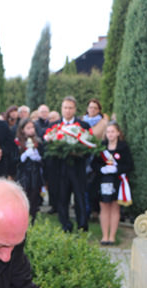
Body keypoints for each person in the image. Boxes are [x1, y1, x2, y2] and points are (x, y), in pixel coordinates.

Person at [50, 96, 91, 233]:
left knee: (79, 198)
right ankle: (65, 226)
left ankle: (82, 226)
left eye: (70, 108)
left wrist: (79, 153)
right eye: (65, 108)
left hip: (77, 168)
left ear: (75, 109)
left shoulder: (83, 126)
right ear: (61, 109)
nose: (67, 111)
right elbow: (48, 149)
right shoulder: (54, 127)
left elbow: (89, 148)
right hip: (60, 170)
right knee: (62, 199)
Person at [92, 121, 133, 245]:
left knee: (115, 208)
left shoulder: (123, 147)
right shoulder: (101, 147)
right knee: (104, 208)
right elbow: (94, 164)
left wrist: (117, 169)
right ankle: (104, 236)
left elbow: (129, 165)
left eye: (113, 131)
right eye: (108, 132)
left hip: (117, 181)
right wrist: (101, 169)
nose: (110, 134)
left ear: (118, 133)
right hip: (103, 181)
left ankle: (112, 236)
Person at [15, 118, 44, 224]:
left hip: (35, 174)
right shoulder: (18, 142)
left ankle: (32, 219)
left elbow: (43, 157)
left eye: (32, 127)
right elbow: (15, 160)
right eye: (28, 128)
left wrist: (38, 157)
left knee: (34, 197)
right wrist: (24, 155)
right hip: (24, 175)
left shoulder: (38, 141)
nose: (31, 130)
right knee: (24, 197)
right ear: (22, 130)